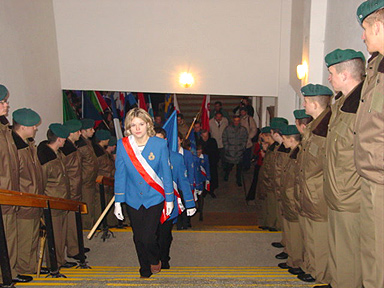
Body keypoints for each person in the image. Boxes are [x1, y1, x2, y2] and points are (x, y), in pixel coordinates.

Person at [316, 49, 366, 288]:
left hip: (350, 193)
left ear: (345, 75)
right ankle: (336, 282)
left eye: (331, 73)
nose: (329, 79)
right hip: (336, 192)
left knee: (350, 250)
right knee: (336, 245)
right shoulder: (341, 105)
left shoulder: (361, 107)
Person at [113, 108, 174, 278]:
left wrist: (169, 199)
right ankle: (144, 268)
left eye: (141, 124)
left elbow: (166, 173)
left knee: (148, 236)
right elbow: (120, 174)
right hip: (133, 198)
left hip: (154, 196)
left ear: (148, 124)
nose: (137, 128)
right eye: (133, 125)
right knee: (138, 236)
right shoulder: (123, 145)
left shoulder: (160, 144)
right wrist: (119, 201)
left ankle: (155, 259)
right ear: (128, 127)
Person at [355, 2, 384, 287]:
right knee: (371, 252)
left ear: (377, 26)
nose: (363, 37)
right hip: (372, 174)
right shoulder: (375, 67)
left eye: (365, 29)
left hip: (381, 175)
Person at [297, 84, 333, 284]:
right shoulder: (313, 126)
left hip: (318, 192)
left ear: (314, 103)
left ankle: (322, 275)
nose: (304, 104)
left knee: (319, 237)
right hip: (308, 190)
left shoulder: (327, 127)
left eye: (305, 101)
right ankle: (311, 268)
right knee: (310, 234)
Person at [0, 85, 33, 284]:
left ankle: (8, 273)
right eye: (3, 102)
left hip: (9, 194)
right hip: (3, 194)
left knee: (10, 238)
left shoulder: (5, 131)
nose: (6, 104)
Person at [154, 127, 196, 269]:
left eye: (160, 139)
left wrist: (190, 204)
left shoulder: (176, 158)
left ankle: (164, 258)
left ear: (165, 141)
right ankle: (154, 258)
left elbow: (183, 182)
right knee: (152, 234)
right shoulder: (144, 158)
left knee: (165, 235)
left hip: (168, 203)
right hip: (150, 203)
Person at [11, 109, 47, 276]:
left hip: (33, 200)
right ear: (23, 127)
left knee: (32, 236)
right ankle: (22, 268)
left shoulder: (28, 145)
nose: (35, 128)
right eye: (33, 125)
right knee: (24, 238)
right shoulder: (16, 149)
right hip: (24, 201)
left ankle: (31, 266)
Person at [38, 124, 76, 269]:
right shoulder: (46, 158)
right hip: (51, 202)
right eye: (64, 138)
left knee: (61, 234)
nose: (65, 141)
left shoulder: (58, 154)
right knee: (54, 235)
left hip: (61, 201)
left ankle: (60, 260)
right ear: (59, 139)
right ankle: (53, 262)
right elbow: (41, 182)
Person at [278, 125, 303, 274]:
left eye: (284, 139)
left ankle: (296, 261)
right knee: (290, 232)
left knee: (295, 233)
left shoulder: (299, 154)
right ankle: (291, 258)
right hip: (288, 198)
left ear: (292, 139)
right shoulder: (292, 153)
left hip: (294, 199)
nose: (283, 141)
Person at [61, 119, 85, 261]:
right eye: (77, 131)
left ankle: (76, 246)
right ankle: (73, 249)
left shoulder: (72, 147)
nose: (80, 133)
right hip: (70, 192)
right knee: (70, 223)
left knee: (74, 222)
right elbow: (67, 173)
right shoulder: (67, 150)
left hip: (75, 189)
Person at [75, 119, 98, 229]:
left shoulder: (87, 143)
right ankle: (86, 231)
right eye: (90, 129)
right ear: (83, 131)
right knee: (87, 210)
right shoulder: (81, 145)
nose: (93, 131)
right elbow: (79, 165)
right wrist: (84, 179)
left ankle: (90, 227)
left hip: (90, 181)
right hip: (85, 183)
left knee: (91, 208)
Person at [176, 132, 196, 230]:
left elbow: (191, 170)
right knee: (178, 204)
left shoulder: (187, 154)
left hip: (185, 183)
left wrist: (191, 184)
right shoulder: (171, 152)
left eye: (178, 139)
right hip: (175, 184)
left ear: (181, 140)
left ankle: (187, 222)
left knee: (186, 202)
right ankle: (179, 223)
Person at [222, 115, 248, 187]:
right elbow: (224, 138)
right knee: (229, 166)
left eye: (238, 121)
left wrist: (242, 147)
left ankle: (238, 179)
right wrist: (227, 147)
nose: (236, 122)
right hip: (230, 151)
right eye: (235, 121)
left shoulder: (243, 130)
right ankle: (226, 175)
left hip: (239, 151)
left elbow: (245, 139)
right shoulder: (227, 129)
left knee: (239, 168)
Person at [198, 129, 219, 198]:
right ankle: (204, 190)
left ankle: (211, 190)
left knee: (212, 177)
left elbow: (216, 152)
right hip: (202, 164)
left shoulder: (212, 141)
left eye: (207, 136)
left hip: (212, 162)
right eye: (204, 136)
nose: (206, 138)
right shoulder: (199, 143)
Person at [194, 144, 210, 221]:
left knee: (201, 196)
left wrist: (208, 179)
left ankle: (201, 211)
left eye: (200, 150)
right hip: (195, 179)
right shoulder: (193, 157)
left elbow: (207, 167)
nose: (198, 152)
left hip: (202, 179)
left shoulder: (205, 157)